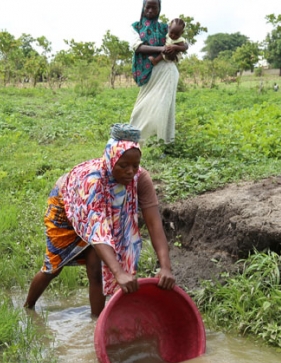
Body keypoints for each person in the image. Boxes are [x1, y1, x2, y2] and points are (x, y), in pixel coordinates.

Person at [24, 124, 175, 317]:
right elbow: (97, 230)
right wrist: (119, 272)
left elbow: (154, 223)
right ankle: (28, 309)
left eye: (135, 165)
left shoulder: (140, 178)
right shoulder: (93, 180)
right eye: (123, 166)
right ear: (111, 161)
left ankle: (97, 323)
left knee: (95, 268)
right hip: (66, 208)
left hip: (101, 219)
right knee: (53, 267)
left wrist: (165, 267)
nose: (130, 171)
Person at [129, 0, 185, 145]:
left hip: (167, 72)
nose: (151, 10)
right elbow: (138, 47)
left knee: (165, 107)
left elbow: (182, 44)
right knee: (141, 107)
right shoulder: (136, 27)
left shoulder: (166, 28)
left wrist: (175, 49)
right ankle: (134, 139)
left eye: (155, 7)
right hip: (148, 72)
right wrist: (162, 49)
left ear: (159, 9)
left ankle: (165, 143)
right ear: (143, 7)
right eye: (148, 6)